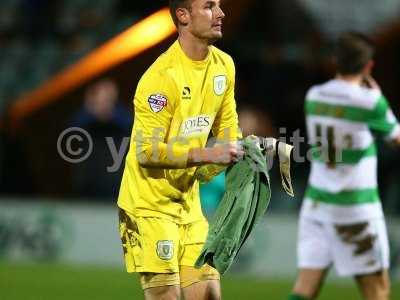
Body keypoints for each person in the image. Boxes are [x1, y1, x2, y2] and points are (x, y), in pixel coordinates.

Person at [117, 1, 243, 299]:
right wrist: (210, 155)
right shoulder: (161, 78)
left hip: (188, 205)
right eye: (209, 6)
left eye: (220, 5)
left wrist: (243, 150)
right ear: (183, 16)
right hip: (149, 207)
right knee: (167, 296)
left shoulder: (224, 66)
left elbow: (228, 130)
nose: (221, 14)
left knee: (209, 294)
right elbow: (147, 153)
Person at [289, 32, 400, 300]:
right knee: (377, 291)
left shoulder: (314, 96)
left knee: (305, 289)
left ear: (335, 60)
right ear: (369, 66)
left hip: (316, 205)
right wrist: (380, 101)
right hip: (355, 210)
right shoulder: (371, 102)